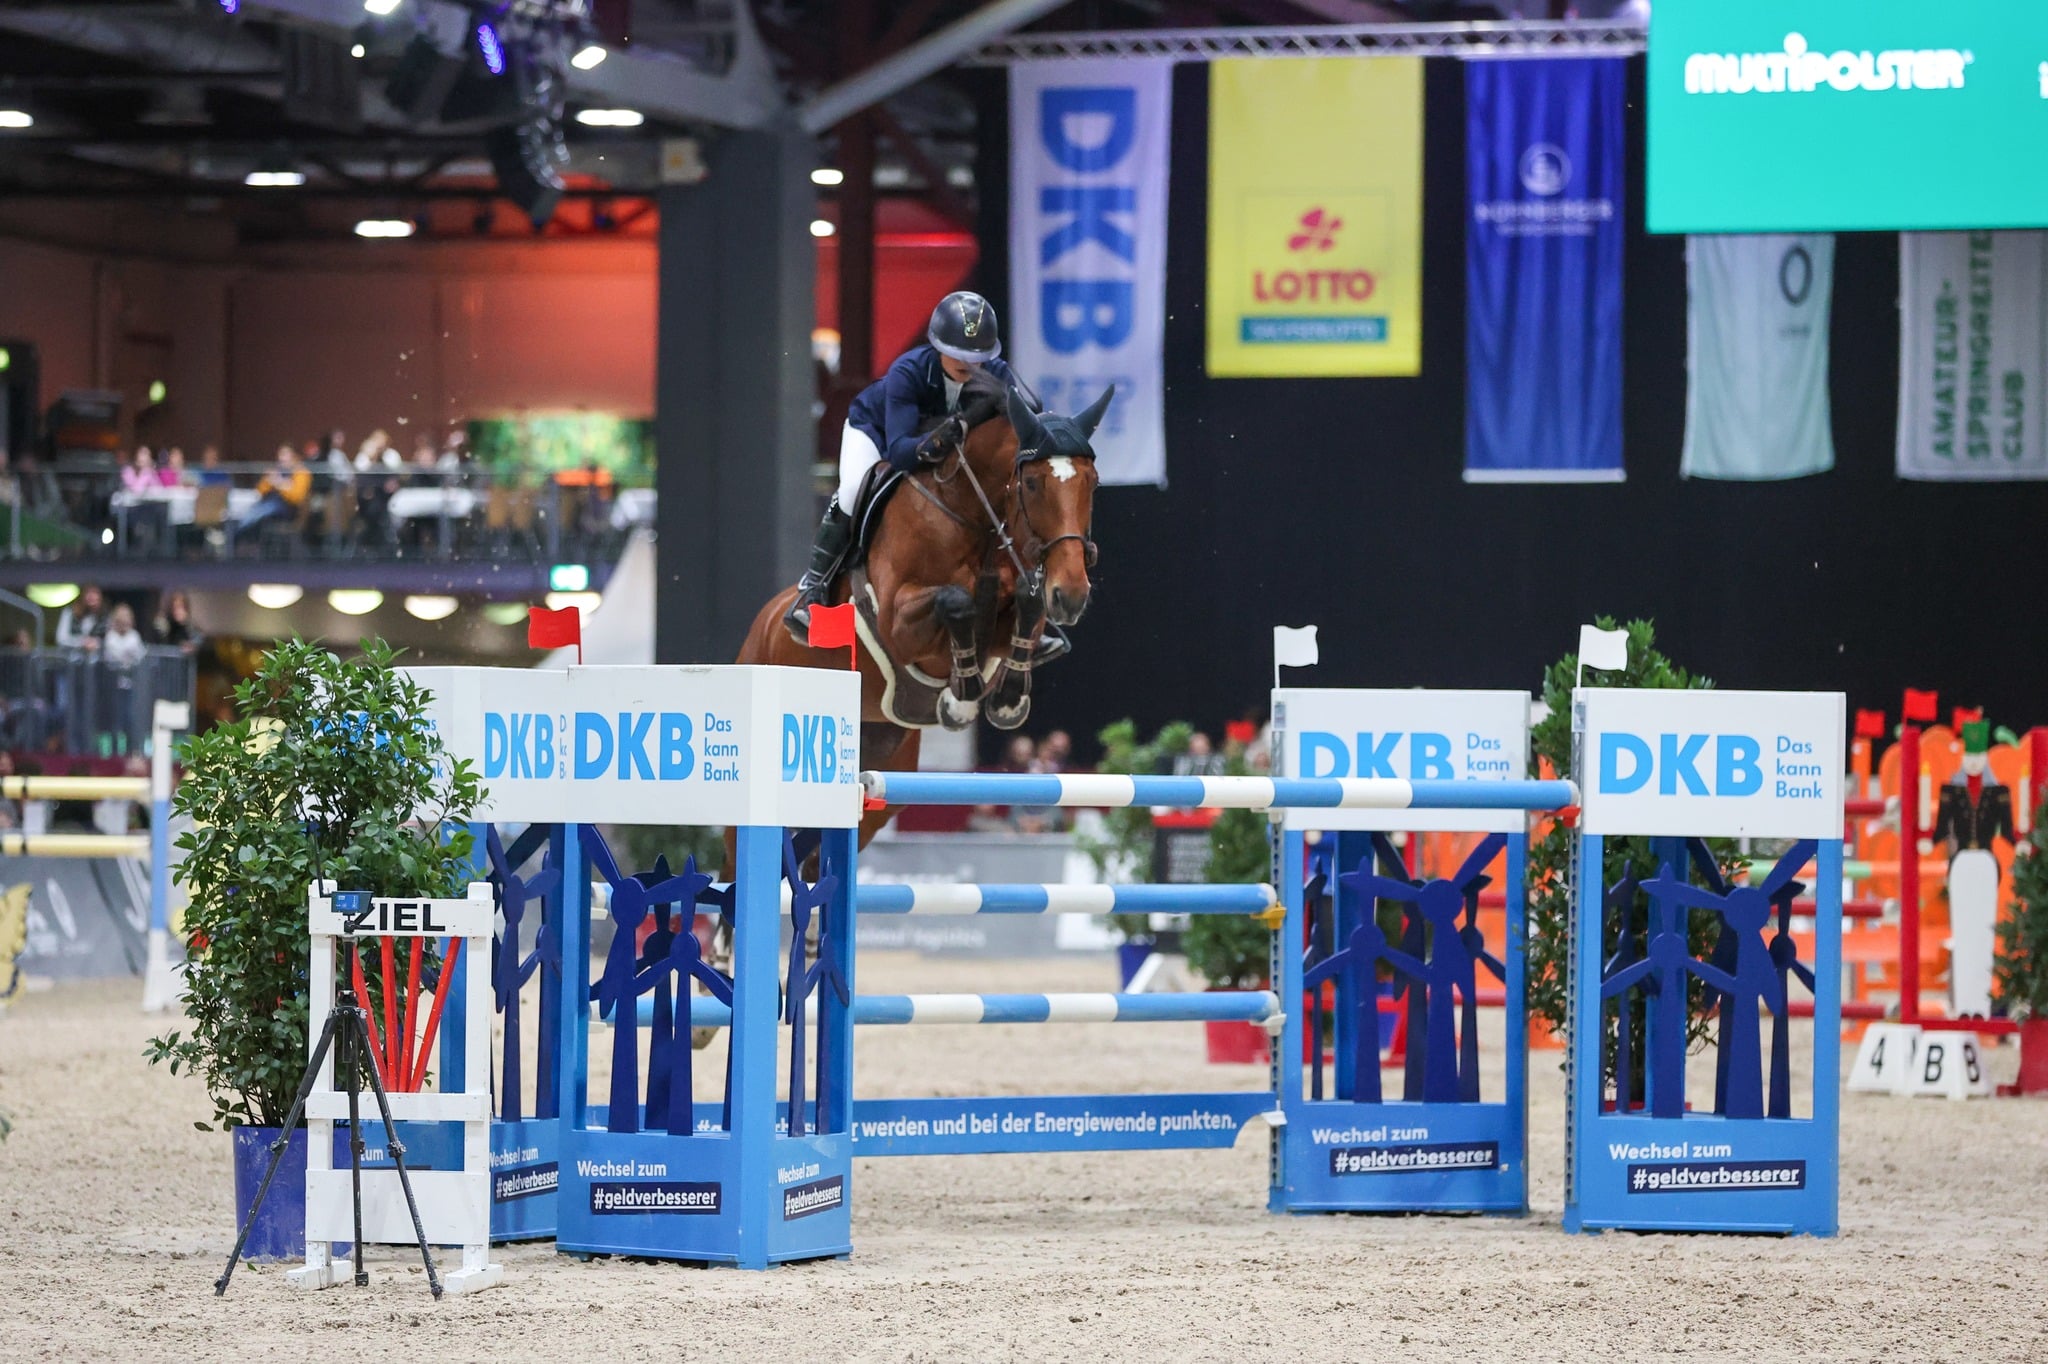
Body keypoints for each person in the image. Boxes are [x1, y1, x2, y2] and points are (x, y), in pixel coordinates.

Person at [784, 291, 1020, 644]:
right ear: (938, 345)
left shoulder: (999, 376)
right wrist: (947, 436)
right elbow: (901, 452)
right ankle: (814, 587)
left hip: (942, 454)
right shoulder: (909, 372)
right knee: (851, 490)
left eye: (977, 356)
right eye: (956, 353)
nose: (967, 363)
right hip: (877, 434)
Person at [234, 445, 312, 533]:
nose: (281, 458)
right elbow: (259, 492)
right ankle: (238, 532)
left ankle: (236, 532)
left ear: (294, 456)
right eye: (280, 455)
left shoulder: (301, 473)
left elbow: (297, 497)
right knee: (252, 509)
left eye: (285, 455)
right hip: (268, 505)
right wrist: (269, 480)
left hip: (289, 509)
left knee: (267, 508)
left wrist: (280, 484)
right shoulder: (276, 471)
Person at [56, 584, 107, 651]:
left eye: (95, 594)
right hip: (71, 657)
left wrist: (96, 643)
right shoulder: (70, 612)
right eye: (89, 593)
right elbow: (61, 639)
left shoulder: (105, 615)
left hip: (97, 659)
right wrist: (81, 642)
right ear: (82, 596)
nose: (92, 598)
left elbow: (110, 641)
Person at [101, 603, 146, 668]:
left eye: (127, 619)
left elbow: (140, 654)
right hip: (113, 673)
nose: (125, 621)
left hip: (132, 672)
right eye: (122, 620)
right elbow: (111, 656)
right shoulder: (111, 636)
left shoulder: (134, 635)